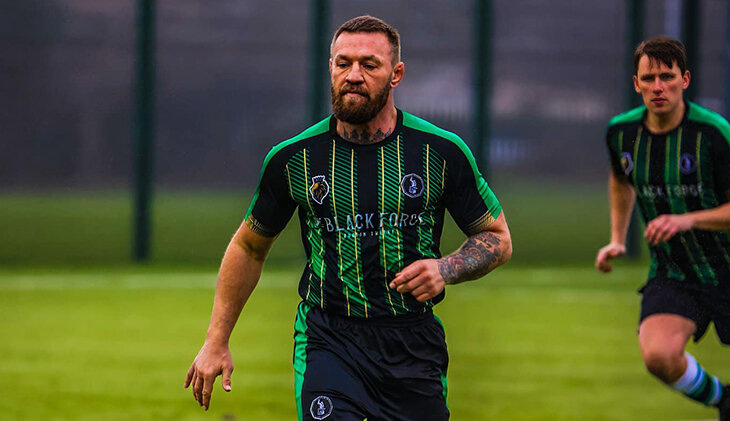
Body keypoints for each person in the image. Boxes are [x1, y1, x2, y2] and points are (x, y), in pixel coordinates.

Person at [184, 15, 511, 420]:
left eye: (369, 65)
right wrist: (216, 340)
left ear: (396, 74)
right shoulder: (294, 159)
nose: (354, 75)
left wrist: (445, 268)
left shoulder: (441, 152)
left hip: (411, 344)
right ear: (331, 68)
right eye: (344, 63)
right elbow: (249, 248)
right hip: (328, 340)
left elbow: (497, 238)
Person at [596, 36, 730, 418]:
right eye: (649, 78)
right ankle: (724, 400)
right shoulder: (621, 133)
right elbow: (620, 179)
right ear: (636, 83)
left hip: (727, 264)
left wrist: (688, 219)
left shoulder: (713, 133)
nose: (658, 87)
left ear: (685, 79)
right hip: (675, 270)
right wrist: (617, 238)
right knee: (658, 356)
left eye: (667, 77)